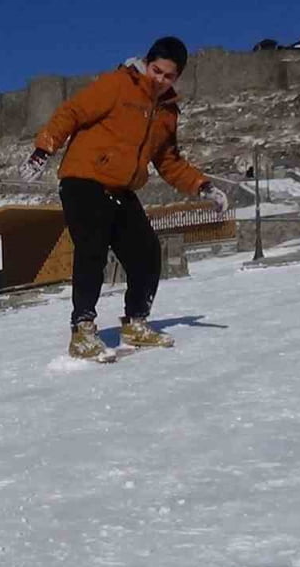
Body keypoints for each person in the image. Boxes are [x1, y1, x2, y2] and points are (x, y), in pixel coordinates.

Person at [18, 36, 225, 359]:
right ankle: (83, 330)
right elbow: (72, 112)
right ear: (147, 62)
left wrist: (203, 186)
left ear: (177, 77)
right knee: (92, 250)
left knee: (146, 252)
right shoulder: (117, 85)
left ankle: (136, 323)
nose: (160, 80)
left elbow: (169, 161)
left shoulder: (167, 113)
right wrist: (43, 149)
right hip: (83, 180)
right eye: (156, 71)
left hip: (121, 189)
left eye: (169, 76)